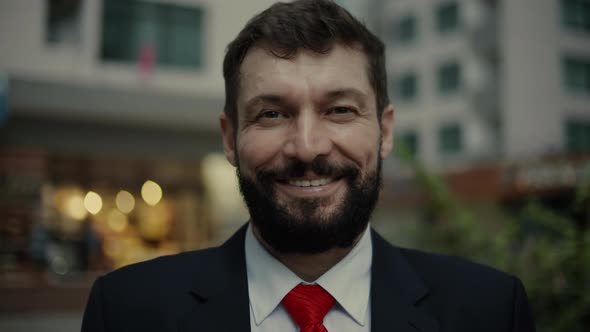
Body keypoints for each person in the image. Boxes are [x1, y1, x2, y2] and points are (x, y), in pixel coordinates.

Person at [81, 1, 535, 331]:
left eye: (339, 110)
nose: (307, 146)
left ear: (385, 130)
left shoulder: (490, 310)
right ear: (229, 138)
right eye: (272, 114)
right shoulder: (126, 311)